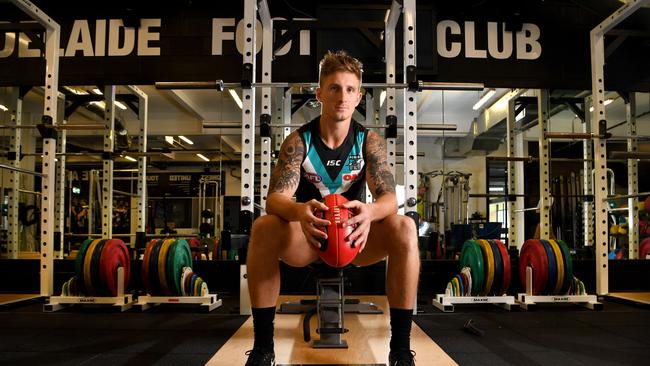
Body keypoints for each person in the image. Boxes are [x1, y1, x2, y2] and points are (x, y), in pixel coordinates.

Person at [245, 50, 419, 366]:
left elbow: (390, 199)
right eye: (335, 88)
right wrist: (299, 212)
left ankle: (401, 350)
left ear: (359, 96)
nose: (342, 97)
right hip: (309, 239)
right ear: (319, 93)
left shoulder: (369, 142)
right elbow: (275, 199)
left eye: (350, 89)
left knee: (405, 227)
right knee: (263, 227)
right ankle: (262, 349)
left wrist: (369, 213)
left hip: (355, 238)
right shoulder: (299, 141)